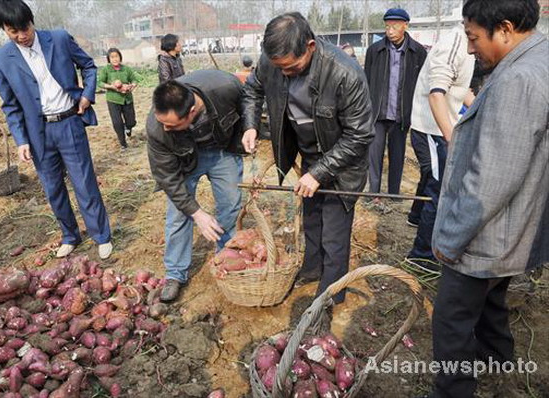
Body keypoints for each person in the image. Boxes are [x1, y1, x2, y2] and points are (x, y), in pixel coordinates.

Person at [423, 1, 549, 397]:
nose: (471, 47)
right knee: (492, 294)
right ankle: (498, 357)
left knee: (451, 317)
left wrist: (448, 240)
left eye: (474, 37)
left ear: (506, 28)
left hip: (489, 229)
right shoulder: (537, 58)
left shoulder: (518, 80)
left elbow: (491, 180)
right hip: (511, 226)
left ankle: (453, 390)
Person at [241, 13, 373, 303]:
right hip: (309, 153)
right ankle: (313, 268)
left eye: (292, 67)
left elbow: (360, 136)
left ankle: (331, 294)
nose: (285, 73)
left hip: (343, 162)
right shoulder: (271, 61)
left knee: (334, 233)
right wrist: (250, 125)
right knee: (312, 218)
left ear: (310, 46)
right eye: (280, 68)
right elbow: (253, 89)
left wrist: (319, 173)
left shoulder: (344, 73)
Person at [0, 0, 113, 259]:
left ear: (32, 22)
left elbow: (88, 66)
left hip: (69, 122)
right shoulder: (0, 59)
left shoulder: (58, 39)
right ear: (4, 29)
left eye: (26, 28)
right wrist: (21, 140)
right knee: (53, 189)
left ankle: (101, 235)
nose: (22, 36)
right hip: (38, 134)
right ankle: (70, 236)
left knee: (84, 184)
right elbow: (10, 105)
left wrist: (87, 95)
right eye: (14, 31)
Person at [146, 70, 244, 302]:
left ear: (191, 112)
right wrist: (197, 213)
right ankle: (175, 274)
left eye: (172, 125)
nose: (166, 129)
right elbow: (168, 179)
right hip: (184, 160)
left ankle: (226, 257)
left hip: (222, 149)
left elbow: (249, 104)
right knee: (179, 215)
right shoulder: (157, 126)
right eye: (164, 124)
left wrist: (249, 130)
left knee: (230, 204)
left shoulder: (225, 87)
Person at [404, 23, 475, 272]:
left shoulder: (467, 42)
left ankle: (415, 218)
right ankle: (421, 256)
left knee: (431, 178)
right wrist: (450, 136)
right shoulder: (455, 43)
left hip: (438, 128)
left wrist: (478, 108)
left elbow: (460, 88)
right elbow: (437, 94)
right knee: (440, 188)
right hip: (431, 130)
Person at [364, 8, 427, 204]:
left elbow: (420, 85)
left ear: (405, 26)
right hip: (377, 114)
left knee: (397, 156)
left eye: (395, 26)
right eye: (387, 26)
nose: (390, 31)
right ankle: (373, 193)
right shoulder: (374, 51)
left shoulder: (418, 52)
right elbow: (366, 80)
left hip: (401, 114)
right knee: (374, 156)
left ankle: (393, 193)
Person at [98, 48, 138, 150]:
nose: (115, 59)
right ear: (109, 59)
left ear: (120, 57)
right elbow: (100, 83)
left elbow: (134, 80)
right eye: (112, 57)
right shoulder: (106, 70)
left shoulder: (126, 69)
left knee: (131, 121)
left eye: (116, 56)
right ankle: (123, 143)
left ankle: (128, 127)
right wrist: (112, 86)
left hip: (127, 98)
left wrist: (131, 86)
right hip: (113, 100)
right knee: (117, 122)